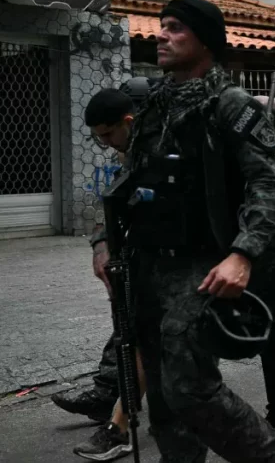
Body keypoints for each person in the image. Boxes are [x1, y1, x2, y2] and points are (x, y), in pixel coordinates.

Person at [121, 0, 275, 461]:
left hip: (203, 264)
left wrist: (242, 254)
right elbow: (129, 177)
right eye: (161, 25)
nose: (161, 34)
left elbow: (271, 184)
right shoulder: (154, 102)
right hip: (148, 263)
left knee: (188, 388)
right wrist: (103, 242)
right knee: (162, 394)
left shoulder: (230, 104)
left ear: (205, 40)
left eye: (176, 28)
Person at [63, 88, 146, 462]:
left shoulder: (166, 147)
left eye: (108, 135)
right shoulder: (127, 151)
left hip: (193, 260)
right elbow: (110, 200)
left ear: (129, 122)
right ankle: (115, 405)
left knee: (146, 337)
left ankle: (120, 421)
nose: (105, 144)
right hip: (145, 257)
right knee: (136, 333)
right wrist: (101, 244)